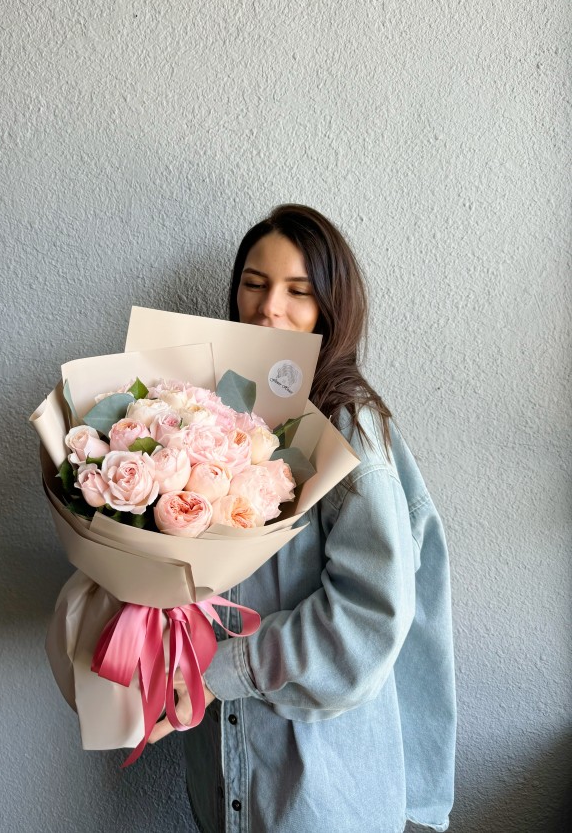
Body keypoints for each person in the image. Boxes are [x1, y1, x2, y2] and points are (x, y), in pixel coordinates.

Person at [149, 204, 456, 833]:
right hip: (226, 774)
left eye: (299, 291)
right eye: (255, 285)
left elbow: (370, 616)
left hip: (319, 792)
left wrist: (222, 673)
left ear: (329, 308)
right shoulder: (206, 415)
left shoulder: (346, 430)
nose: (269, 309)